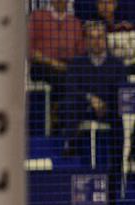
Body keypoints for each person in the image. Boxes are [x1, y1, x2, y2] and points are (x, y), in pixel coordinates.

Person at [61, 21, 127, 205]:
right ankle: (70, 143)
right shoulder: (77, 63)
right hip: (84, 109)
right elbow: (72, 89)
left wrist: (106, 104)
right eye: (92, 38)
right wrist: (91, 99)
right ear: (86, 41)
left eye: (99, 37)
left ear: (105, 40)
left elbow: (122, 91)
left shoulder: (117, 64)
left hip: (110, 111)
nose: (96, 42)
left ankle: (112, 197)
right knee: (70, 102)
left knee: (120, 117)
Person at [28, 0, 85, 131]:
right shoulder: (37, 17)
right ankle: (59, 116)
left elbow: (81, 52)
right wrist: (52, 62)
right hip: (42, 65)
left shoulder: (75, 22)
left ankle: (63, 117)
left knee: (75, 77)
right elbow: (29, 50)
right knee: (64, 78)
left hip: (68, 67)